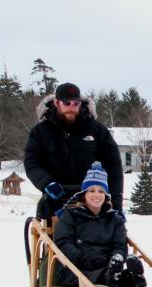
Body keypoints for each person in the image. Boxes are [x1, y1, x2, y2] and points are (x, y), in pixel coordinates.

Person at [8, 163, 145, 287]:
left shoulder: (114, 219)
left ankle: (125, 279)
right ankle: (121, 280)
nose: (97, 195)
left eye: (101, 191)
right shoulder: (70, 215)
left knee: (113, 268)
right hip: (73, 269)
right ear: (83, 193)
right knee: (104, 276)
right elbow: (63, 243)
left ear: (107, 195)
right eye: (92, 190)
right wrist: (84, 259)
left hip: (105, 265)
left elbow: (119, 245)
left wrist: (117, 257)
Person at [24, 82, 124, 221]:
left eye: (75, 103)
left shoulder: (97, 131)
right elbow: (31, 163)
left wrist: (117, 205)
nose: (71, 107)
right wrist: (46, 183)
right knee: (58, 239)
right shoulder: (40, 132)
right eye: (67, 103)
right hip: (54, 202)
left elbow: (114, 167)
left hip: (92, 204)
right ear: (56, 102)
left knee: (101, 239)